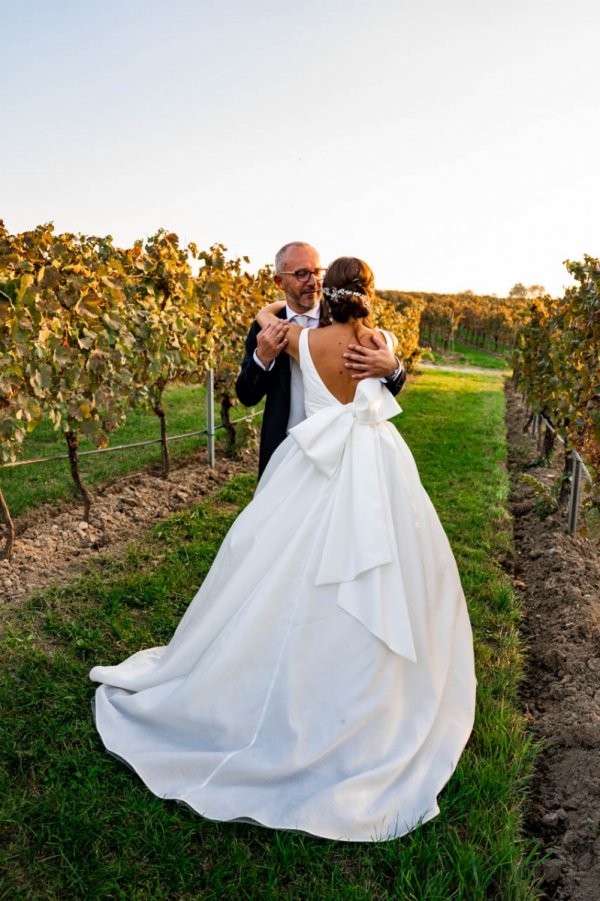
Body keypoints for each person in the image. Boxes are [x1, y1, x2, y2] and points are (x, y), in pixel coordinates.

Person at [90, 256, 476, 843]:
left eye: (317, 271)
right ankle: (364, 699)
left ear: (330, 283)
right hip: (351, 464)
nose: (309, 279)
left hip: (315, 467)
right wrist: (360, 350)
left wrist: (387, 365)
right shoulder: (371, 335)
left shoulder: (302, 337)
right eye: (298, 272)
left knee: (287, 577)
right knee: (333, 575)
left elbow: (387, 374)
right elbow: (251, 388)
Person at [235, 241, 406, 476]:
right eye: (302, 274)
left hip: (345, 449)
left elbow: (372, 387)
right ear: (279, 281)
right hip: (286, 446)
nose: (313, 282)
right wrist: (262, 358)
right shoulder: (263, 329)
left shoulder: (348, 315)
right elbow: (247, 395)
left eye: (317, 272)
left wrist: (392, 368)